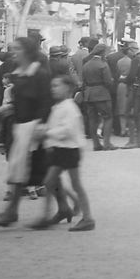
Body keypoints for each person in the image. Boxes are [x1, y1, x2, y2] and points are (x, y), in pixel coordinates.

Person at [0, 37, 69, 227]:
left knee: (40, 171)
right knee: (23, 169)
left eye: (17, 49)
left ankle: (44, 211)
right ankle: (57, 208)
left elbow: (45, 101)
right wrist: (8, 108)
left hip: (36, 128)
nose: (13, 52)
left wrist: (42, 126)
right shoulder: (19, 74)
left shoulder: (39, 74)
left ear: (27, 51)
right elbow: (22, 101)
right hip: (22, 126)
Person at [29, 74, 95, 231]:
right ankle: (48, 215)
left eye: (56, 86)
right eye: (52, 86)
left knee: (75, 184)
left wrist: (46, 133)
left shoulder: (69, 108)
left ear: (68, 88)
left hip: (70, 150)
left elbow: (67, 130)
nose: (53, 89)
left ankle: (88, 218)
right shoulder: (59, 106)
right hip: (61, 149)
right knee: (49, 182)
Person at [81, 43, 117, 151]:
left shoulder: (86, 64)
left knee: (92, 119)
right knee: (108, 117)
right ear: (103, 52)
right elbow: (108, 82)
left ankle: (96, 144)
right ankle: (107, 143)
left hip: (89, 94)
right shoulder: (103, 64)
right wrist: (111, 86)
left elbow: (84, 81)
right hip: (101, 94)